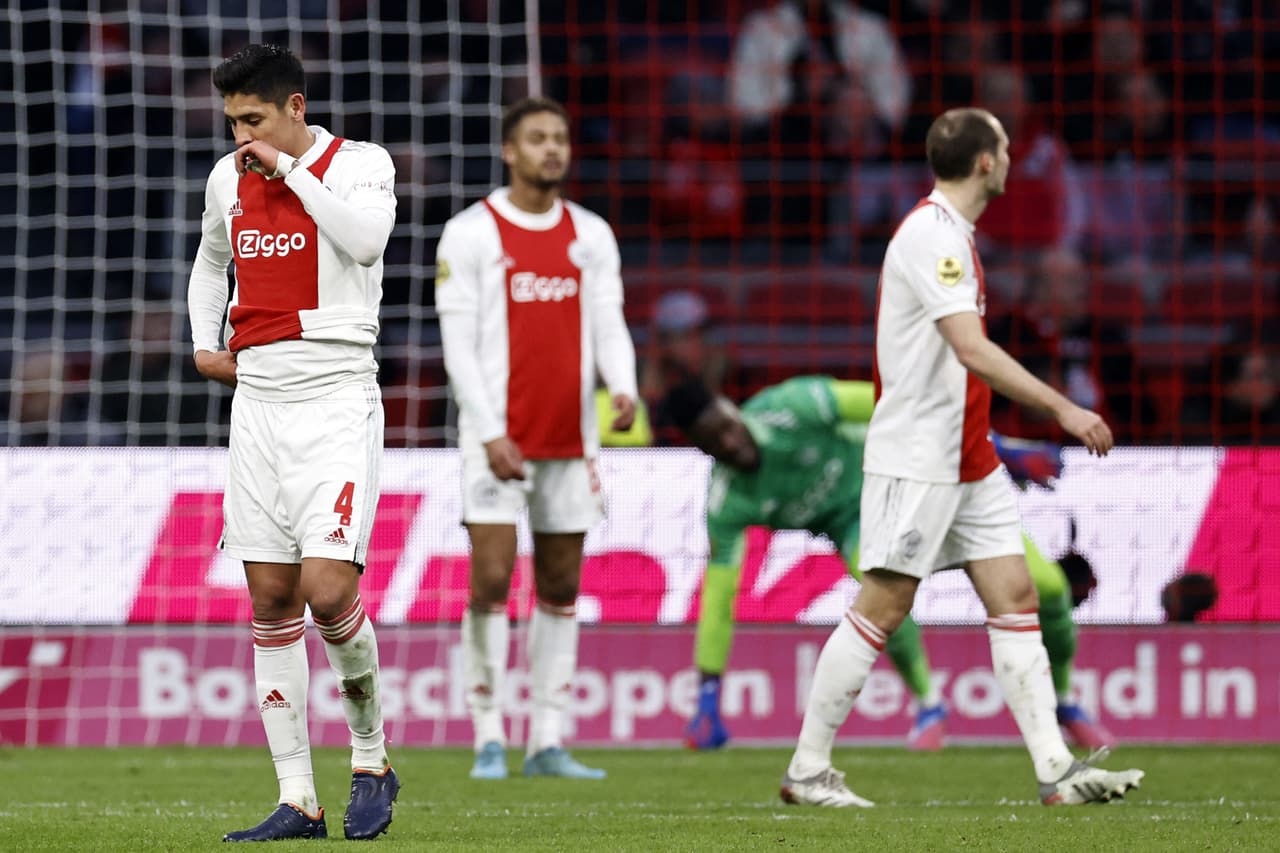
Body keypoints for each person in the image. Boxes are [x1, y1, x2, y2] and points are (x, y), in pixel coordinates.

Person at [777, 107, 1144, 808]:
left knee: (1017, 596)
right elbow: (970, 348)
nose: (1010, 157)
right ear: (985, 161)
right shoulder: (931, 235)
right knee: (882, 607)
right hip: (918, 458)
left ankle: (1055, 770)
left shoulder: (954, 235)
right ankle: (807, 767)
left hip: (968, 456)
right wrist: (1063, 408)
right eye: (1004, 147)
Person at [186, 44, 399, 841]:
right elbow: (211, 260)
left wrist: (291, 172)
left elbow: (366, 241)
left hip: (338, 396)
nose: (241, 136)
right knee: (271, 598)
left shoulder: (358, 163)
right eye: (233, 121)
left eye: (254, 119)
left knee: (327, 589)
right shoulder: (224, 177)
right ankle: (299, 797)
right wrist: (204, 339)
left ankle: (372, 757)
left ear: (295, 108)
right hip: (259, 403)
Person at [665, 375, 1114, 753]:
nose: (730, 443)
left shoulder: (795, 407)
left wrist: (996, 447)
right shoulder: (728, 502)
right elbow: (719, 597)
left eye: (727, 427)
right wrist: (708, 692)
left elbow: (901, 405)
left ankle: (1062, 701)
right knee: (879, 597)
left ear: (731, 408)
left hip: (928, 482)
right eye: (714, 444)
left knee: (1049, 588)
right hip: (865, 524)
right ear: (701, 451)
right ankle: (929, 705)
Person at [435, 97, 639, 781]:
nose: (552, 149)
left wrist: (623, 384)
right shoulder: (470, 234)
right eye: (537, 139)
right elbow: (457, 347)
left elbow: (609, 321)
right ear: (509, 151)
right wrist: (489, 430)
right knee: (492, 578)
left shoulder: (592, 234)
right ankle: (489, 733)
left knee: (559, 584)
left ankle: (547, 736)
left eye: (560, 137)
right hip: (496, 439)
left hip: (569, 440)